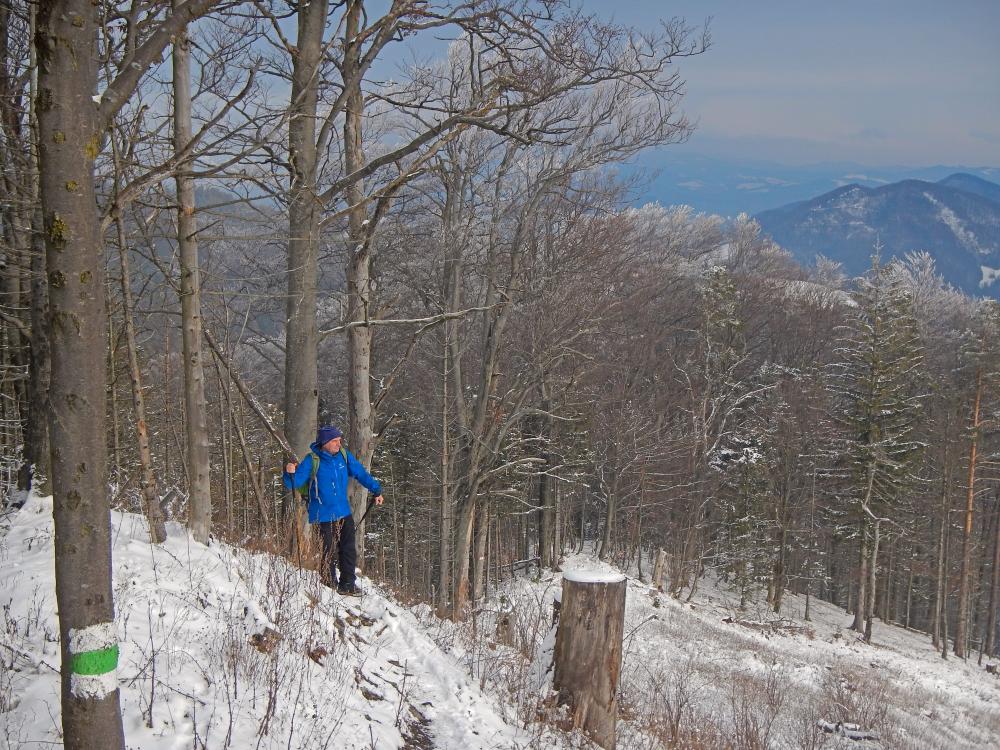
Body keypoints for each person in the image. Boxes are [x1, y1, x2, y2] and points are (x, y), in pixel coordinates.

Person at [283, 425, 384, 596]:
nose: (339, 443)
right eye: (335, 441)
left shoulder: (344, 456)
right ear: (325, 442)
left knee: (348, 549)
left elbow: (360, 473)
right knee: (327, 550)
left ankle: (348, 584)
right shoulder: (312, 460)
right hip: (321, 514)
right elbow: (293, 483)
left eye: (339, 440)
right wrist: (289, 473)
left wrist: (377, 490)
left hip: (343, 511)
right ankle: (329, 585)